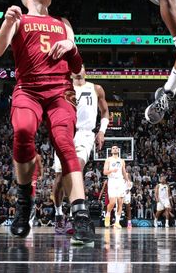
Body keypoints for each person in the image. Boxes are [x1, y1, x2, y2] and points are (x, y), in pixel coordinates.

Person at [0, 0, 96, 245]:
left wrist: (72, 47)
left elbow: (77, 67)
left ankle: (80, 214)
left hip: (61, 90)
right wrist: (6, 23)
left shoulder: (64, 23)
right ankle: (25, 201)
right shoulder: (19, 20)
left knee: (64, 143)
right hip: (28, 89)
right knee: (23, 130)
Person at [51, 67, 109, 235]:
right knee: (60, 177)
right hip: (64, 132)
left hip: (85, 133)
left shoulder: (96, 88)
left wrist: (102, 131)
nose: (78, 69)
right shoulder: (63, 88)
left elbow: (105, 111)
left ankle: (74, 215)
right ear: (69, 72)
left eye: (80, 66)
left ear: (85, 70)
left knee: (76, 167)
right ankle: (58, 214)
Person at [102, 145, 130, 228]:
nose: (115, 149)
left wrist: (127, 180)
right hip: (112, 181)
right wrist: (112, 170)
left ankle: (117, 222)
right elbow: (104, 172)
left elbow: (124, 172)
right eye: (113, 148)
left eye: (116, 148)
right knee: (112, 202)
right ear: (111, 151)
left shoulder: (122, 161)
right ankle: (108, 214)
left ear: (118, 150)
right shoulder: (108, 160)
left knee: (120, 202)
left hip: (120, 181)